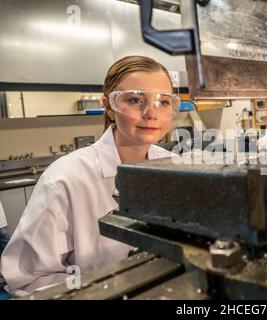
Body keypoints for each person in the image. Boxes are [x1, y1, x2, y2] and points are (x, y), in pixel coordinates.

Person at [0, 55, 178, 296]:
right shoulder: (65, 178)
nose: (151, 113)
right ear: (109, 106)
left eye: (163, 102)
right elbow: (30, 278)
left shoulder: (175, 169)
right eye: (135, 100)